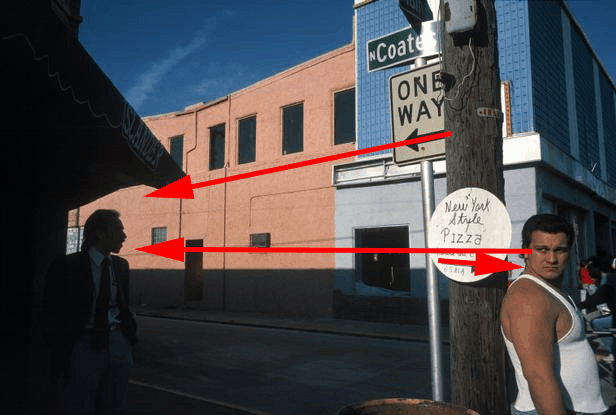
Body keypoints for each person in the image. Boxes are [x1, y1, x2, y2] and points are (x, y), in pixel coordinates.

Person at [500, 213, 607, 415]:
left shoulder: (549, 289)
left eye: (560, 250)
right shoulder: (529, 297)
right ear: (525, 251)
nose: (551, 258)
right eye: (542, 250)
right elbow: (538, 376)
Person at [40, 209, 137, 415]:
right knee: (79, 402)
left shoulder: (121, 266)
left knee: (114, 403)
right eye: (119, 230)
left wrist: (128, 338)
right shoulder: (67, 265)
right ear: (101, 234)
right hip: (83, 343)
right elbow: (50, 310)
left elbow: (123, 304)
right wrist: (59, 349)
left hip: (118, 342)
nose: (124, 236)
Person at [579, 257, 616, 363]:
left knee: (597, 323)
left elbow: (594, 300)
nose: (589, 270)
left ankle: (612, 353)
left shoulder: (608, 279)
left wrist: (579, 305)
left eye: (591, 267)